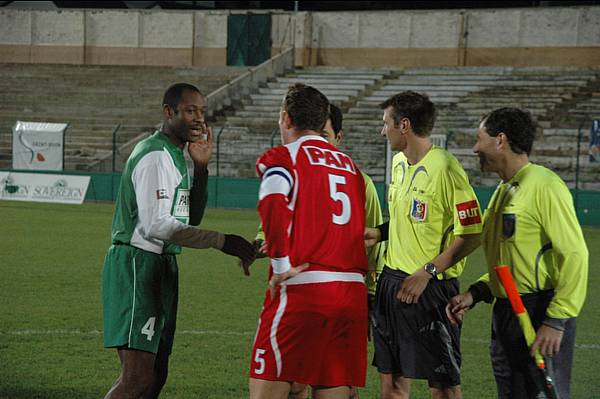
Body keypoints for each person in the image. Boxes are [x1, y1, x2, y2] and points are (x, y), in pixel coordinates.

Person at [101, 83, 256, 399]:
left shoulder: (174, 155)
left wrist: (201, 168)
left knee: (156, 374)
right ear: (168, 112)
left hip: (160, 265)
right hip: (137, 265)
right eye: (190, 110)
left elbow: (189, 219)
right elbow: (157, 225)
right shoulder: (155, 156)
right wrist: (219, 240)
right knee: (137, 379)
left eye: (202, 110)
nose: (199, 118)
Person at [446, 107, 589, 399]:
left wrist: (556, 321)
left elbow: (575, 255)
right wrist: (477, 292)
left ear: (501, 140)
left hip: (539, 313)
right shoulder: (504, 191)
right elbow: (510, 263)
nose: (475, 148)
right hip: (507, 312)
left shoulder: (545, 185)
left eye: (479, 138)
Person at [253, 103, 386, 399]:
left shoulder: (286, 156)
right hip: (350, 294)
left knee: (273, 384)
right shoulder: (354, 170)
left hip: (305, 288)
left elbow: (273, 201)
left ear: (286, 118)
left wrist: (279, 264)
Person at [364, 91, 482, 399]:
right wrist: (379, 233)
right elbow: (410, 220)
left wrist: (428, 271)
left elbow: (471, 233)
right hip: (391, 283)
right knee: (391, 384)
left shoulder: (446, 169)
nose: (382, 130)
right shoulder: (399, 163)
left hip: (431, 288)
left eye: (385, 123)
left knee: (442, 386)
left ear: (404, 125)